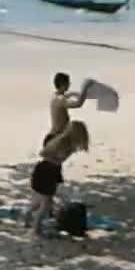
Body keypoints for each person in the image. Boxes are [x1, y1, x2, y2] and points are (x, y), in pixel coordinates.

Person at [30, 72, 89, 237]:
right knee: (46, 197)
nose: (69, 87)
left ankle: (37, 212)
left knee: (44, 195)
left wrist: (72, 93)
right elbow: (78, 104)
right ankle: (36, 225)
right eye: (68, 84)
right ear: (64, 84)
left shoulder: (56, 97)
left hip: (54, 145)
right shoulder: (61, 101)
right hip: (55, 142)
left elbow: (66, 97)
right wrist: (86, 88)